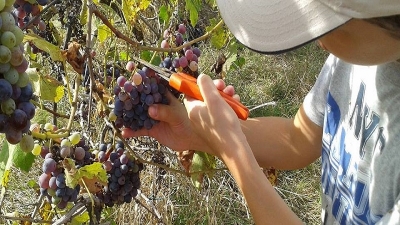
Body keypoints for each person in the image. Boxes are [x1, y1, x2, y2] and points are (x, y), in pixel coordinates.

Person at [123, 0, 400, 224]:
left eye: (327, 26)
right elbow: (297, 139)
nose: (317, 40)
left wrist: (235, 153)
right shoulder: (355, 61)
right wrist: (194, 133)